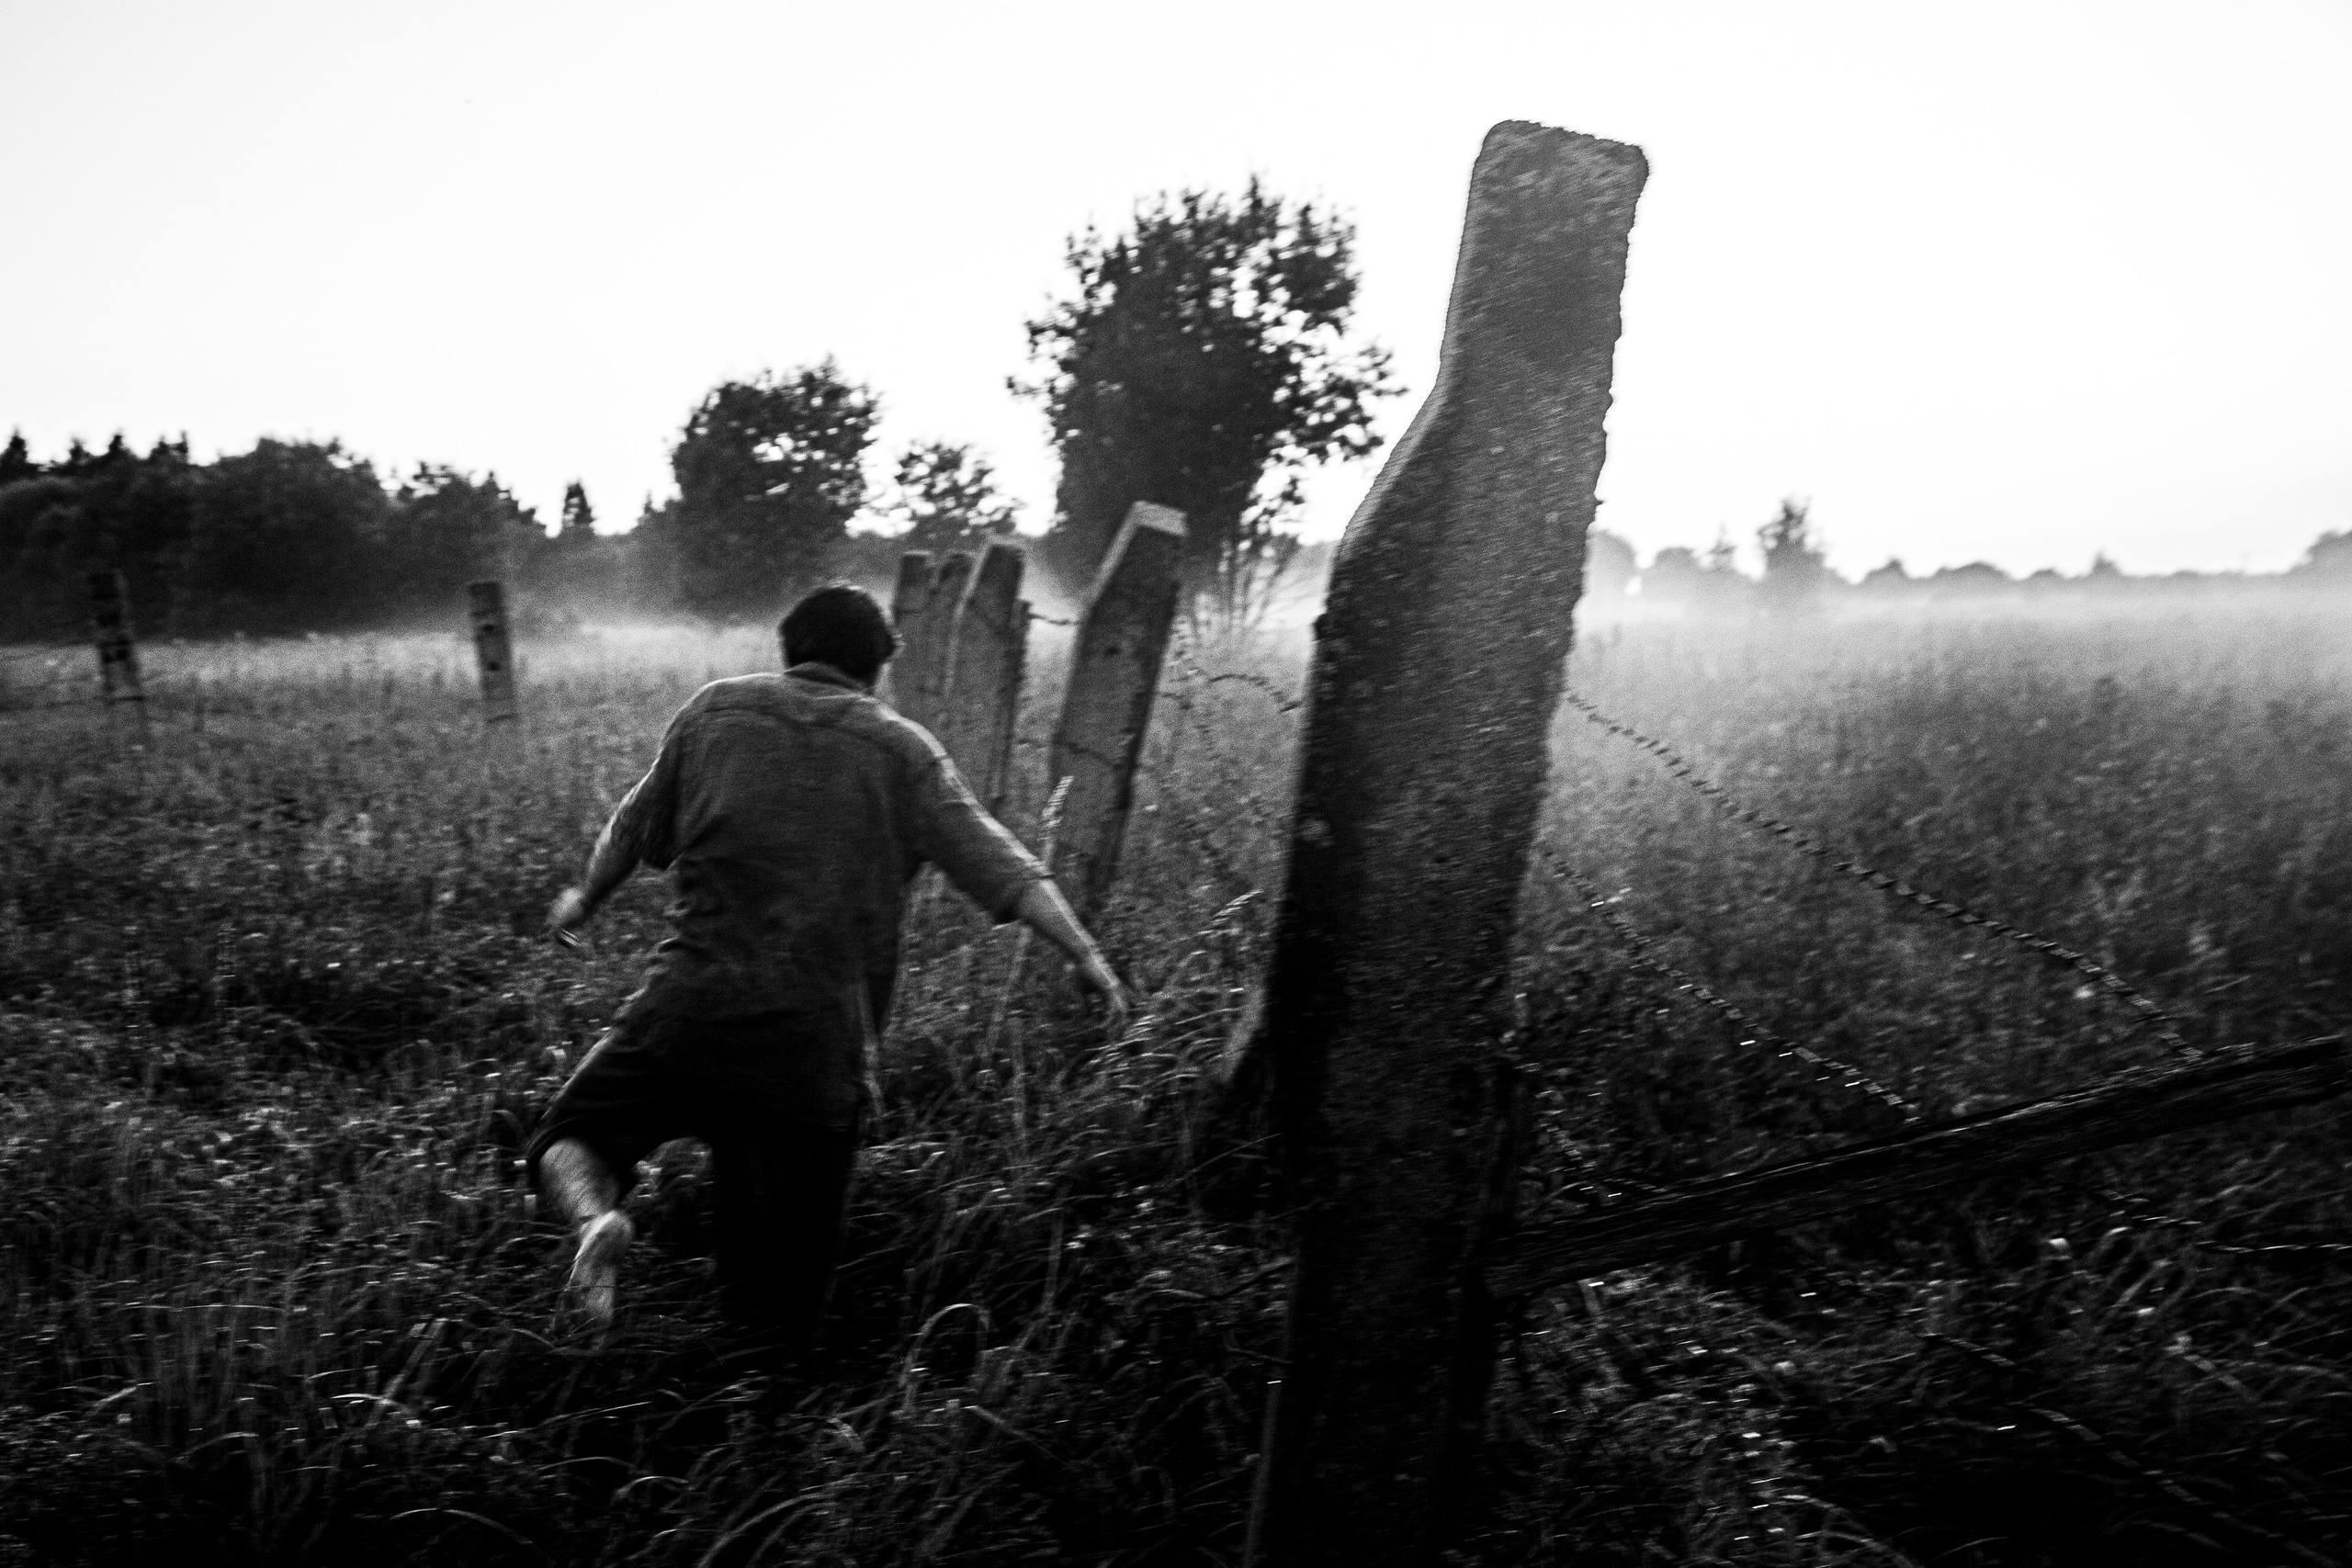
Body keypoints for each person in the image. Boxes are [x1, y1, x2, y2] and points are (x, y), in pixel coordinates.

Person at [529, 581, 1126, 1360]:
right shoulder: (904, 751)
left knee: (567, 1138)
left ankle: (595, 1223)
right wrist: (1086, 955)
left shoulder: (713, 712)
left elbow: (633, 823)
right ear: (877, 666)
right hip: (810, 1055)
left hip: (685, 1016)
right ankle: (748, 1411)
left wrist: (583, 899)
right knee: (776, 1313)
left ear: (789, 649)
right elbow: (1006, 866)